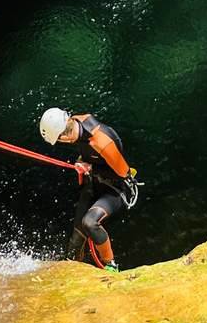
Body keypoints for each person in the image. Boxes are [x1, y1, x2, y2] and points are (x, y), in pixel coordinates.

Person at [39, 107, 139, 272]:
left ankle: (111, 265)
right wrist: (82, 163)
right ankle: (75, 268)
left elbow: (124, 174)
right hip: (94, 186)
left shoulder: (101, 141)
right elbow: (87, 154)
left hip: (115, 190)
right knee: (76, 240)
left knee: (90, 223)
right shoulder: (75, 123)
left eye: (59, 140)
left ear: (64, 135)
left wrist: (90, 168)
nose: (60, 143)